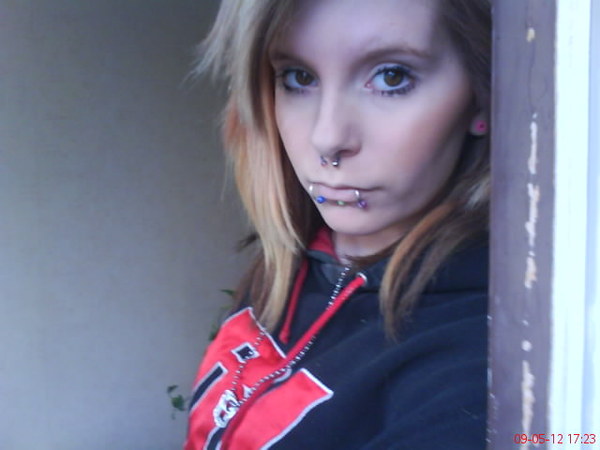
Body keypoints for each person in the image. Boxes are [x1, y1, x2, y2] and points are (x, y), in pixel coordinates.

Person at [185, 0, 491, 448]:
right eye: (298, 77)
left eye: (391, 77)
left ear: (480, 96)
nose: (327, 138)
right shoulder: (290, 265)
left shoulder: (479, 361)